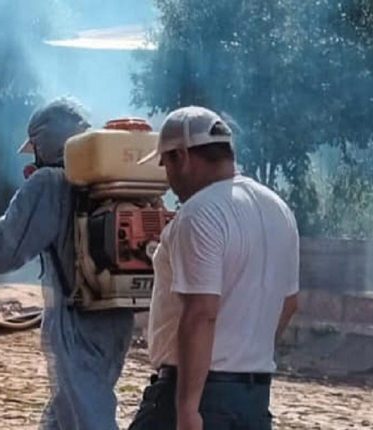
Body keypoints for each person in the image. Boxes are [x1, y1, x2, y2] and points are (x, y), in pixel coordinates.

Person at [0, 98, 134, 430]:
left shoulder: (48, 183)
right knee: (67, 413)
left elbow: (0, 252)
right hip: (116, 317)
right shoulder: (111, 179)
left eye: (34, 147)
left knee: (88, 418)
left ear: (41, 144)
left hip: (76, 324)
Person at [128, 106, 299, 430]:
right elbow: (289, 303)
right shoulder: (278, 209)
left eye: (166, 164)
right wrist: (245, 354)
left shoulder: (200, 213)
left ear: (182, 156)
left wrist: (188, 409)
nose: (169, 179)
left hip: (201, 394)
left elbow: (201, 312)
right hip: (253, 397)